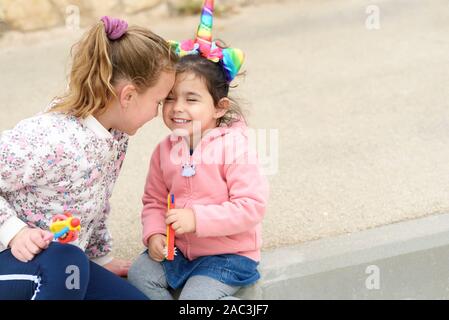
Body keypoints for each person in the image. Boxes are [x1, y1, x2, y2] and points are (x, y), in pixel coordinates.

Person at [0, 16, 177, 300]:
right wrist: (13, 231)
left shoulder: (115, 137)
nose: (158, 112)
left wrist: (101, 259)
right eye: (158, 101)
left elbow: (94, 204)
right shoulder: (50, 137)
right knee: (66, 263)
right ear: (128, 96)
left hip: (65, 265)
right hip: (15, 259)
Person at [128, 0, 269, 300]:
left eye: (191, 99)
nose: (177, 108)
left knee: (195, 299)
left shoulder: (234, 147)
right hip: (179, 252)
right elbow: (153, 201)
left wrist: (197, 219)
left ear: (219, 108)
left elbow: (251, 207)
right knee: (139, 273)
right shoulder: (164, 151)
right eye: (169, 98)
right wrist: (153, 234)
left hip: (228, 256)